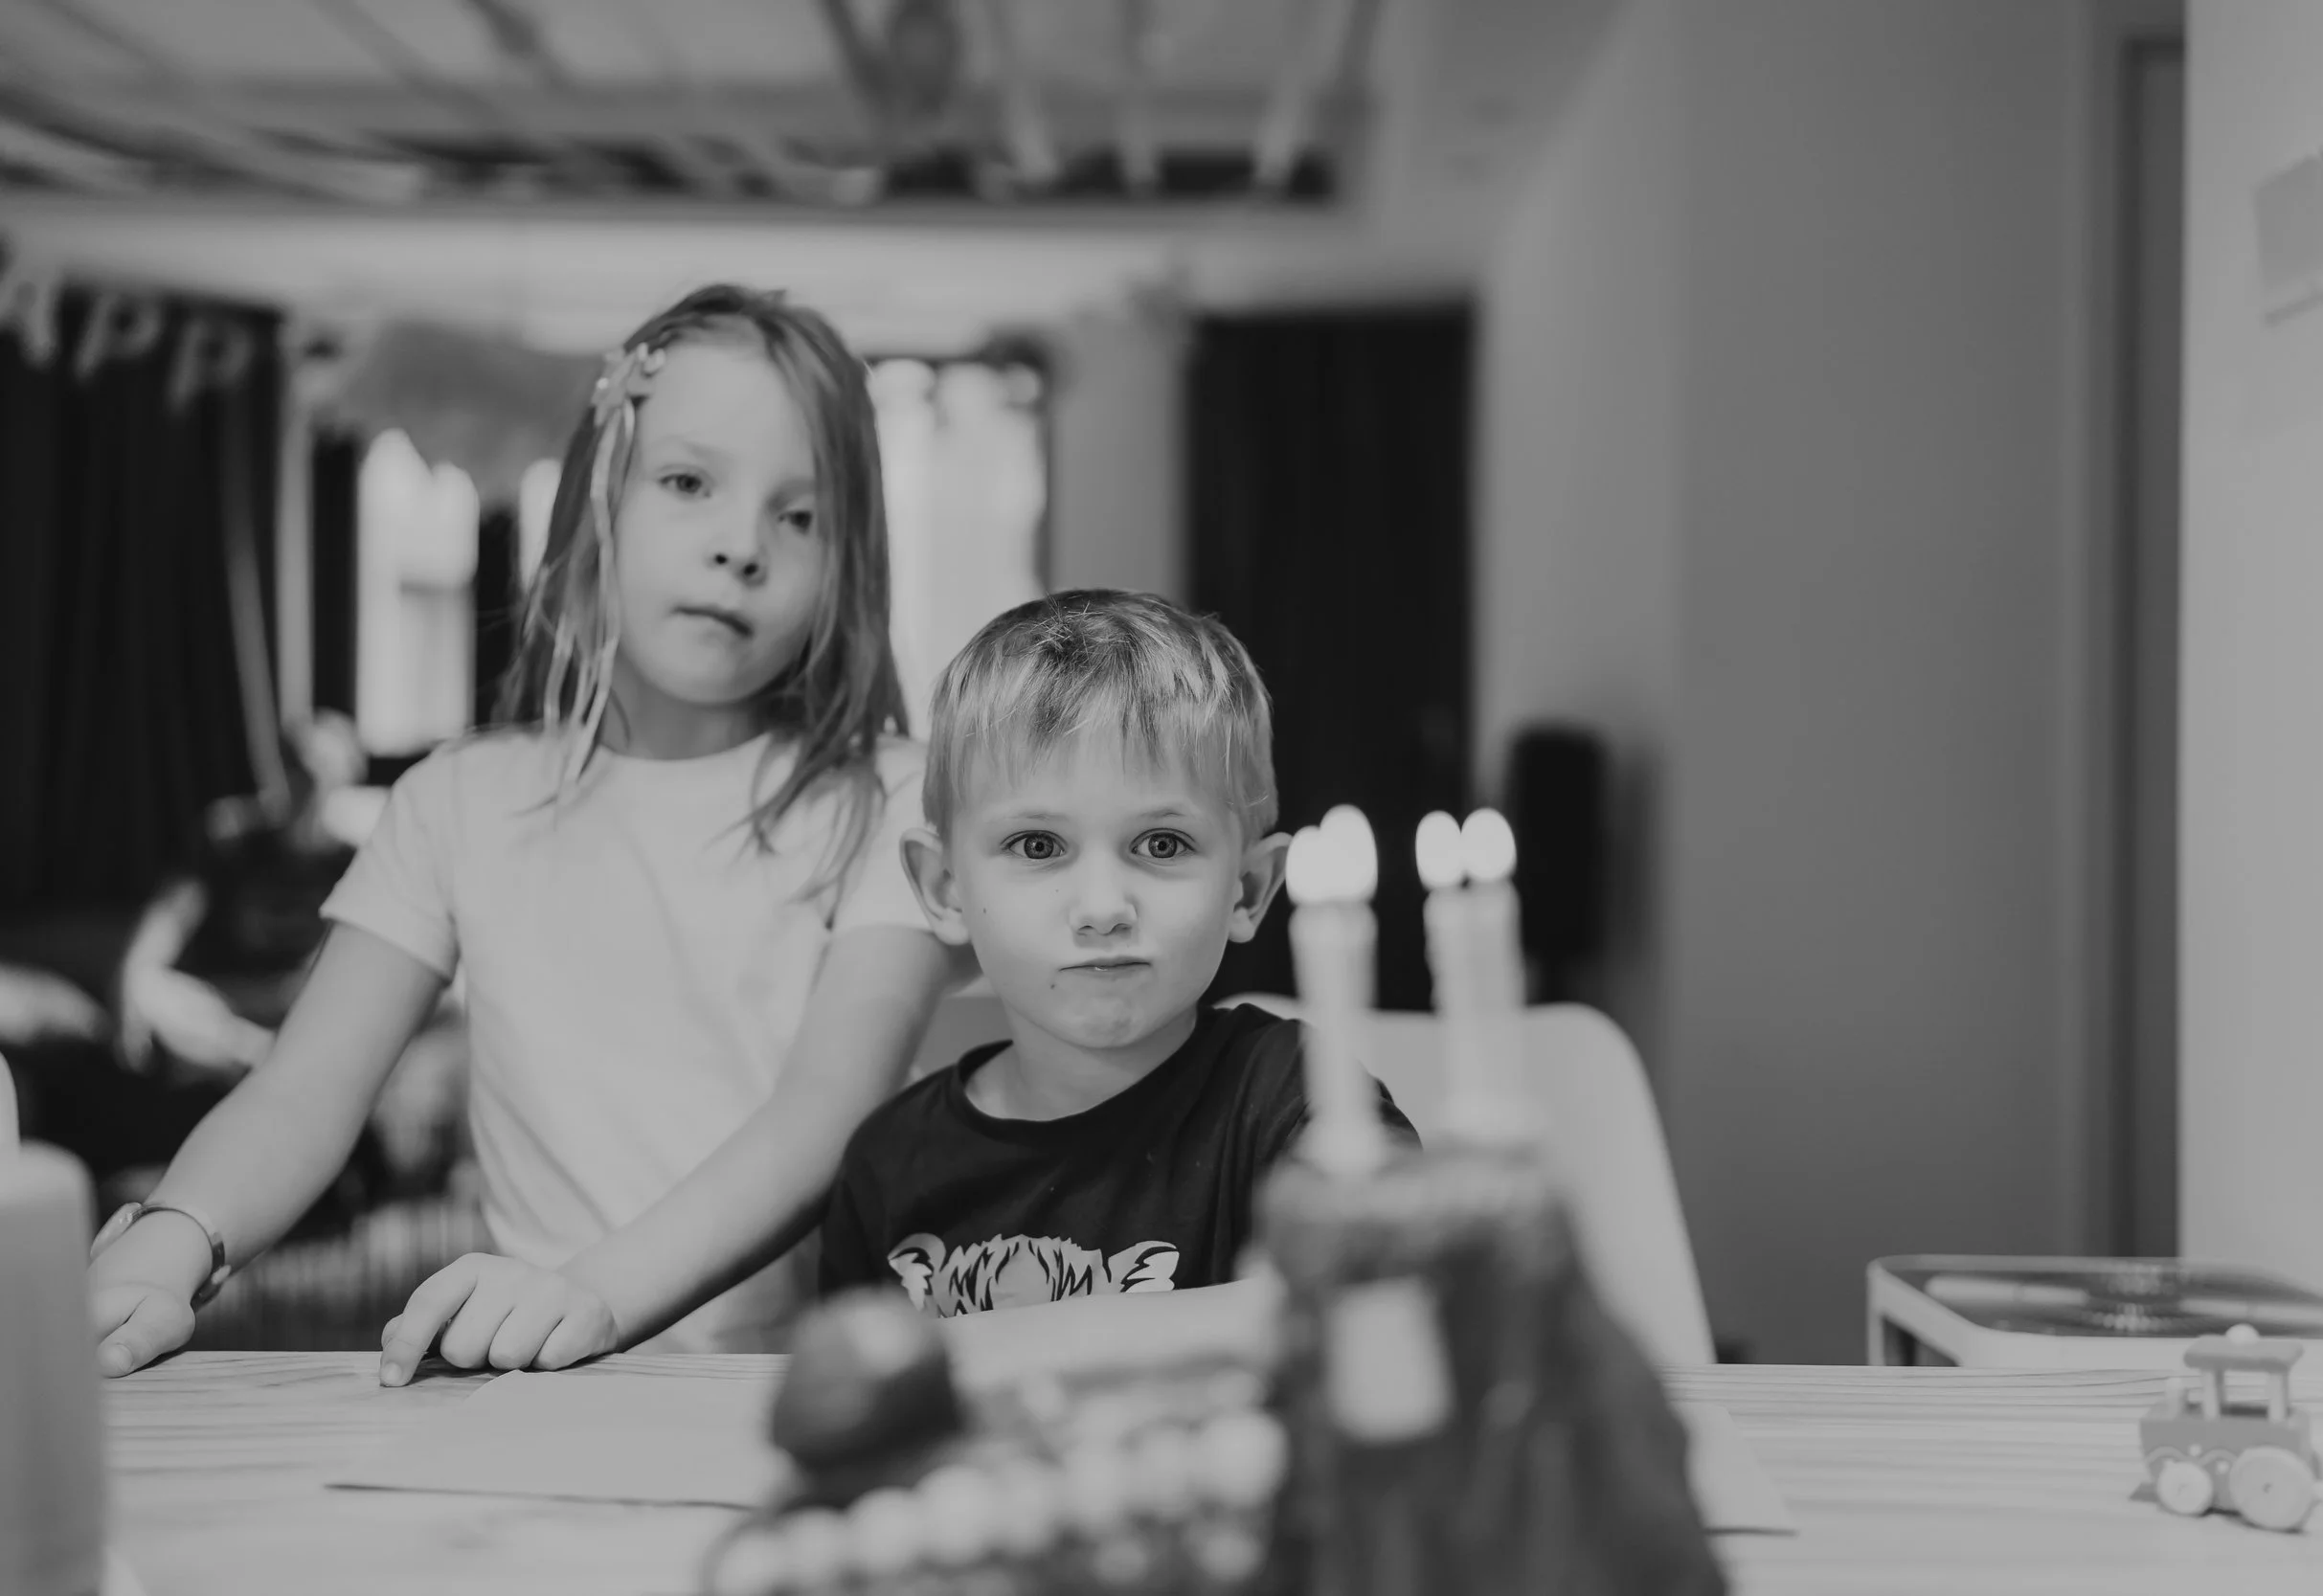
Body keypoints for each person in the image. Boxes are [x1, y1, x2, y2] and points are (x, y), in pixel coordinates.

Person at [88, 284, 966, 1381]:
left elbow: (825, 1111)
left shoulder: (892, 798)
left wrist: (590, 1294)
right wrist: (172, 1241)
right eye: (689, 482)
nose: (743, 545)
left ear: (849, 564)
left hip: (806, 1388)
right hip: (537, 1381)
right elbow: (301, 1093)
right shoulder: (458, 802)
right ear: (596, 506)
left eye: (801, 513)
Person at [815, 590, 1414, 1342]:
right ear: (943, 888)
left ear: (1250, 888)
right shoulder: (889, 1163)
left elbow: (1389, 1280)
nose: (1103, 907)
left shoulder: (1293, 1100)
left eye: (1162, 844)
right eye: (1038, 845)